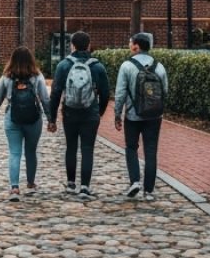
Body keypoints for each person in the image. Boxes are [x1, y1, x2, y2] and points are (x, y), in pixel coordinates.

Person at [48, 30, 110, 199]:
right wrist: (100, 111)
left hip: (70, 112)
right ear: (89, 45)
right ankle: (84, 186)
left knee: (71, 147)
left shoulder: (64, 65)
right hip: (90, 113)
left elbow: (55, 93)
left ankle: (70, 184)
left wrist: (52, 118)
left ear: (72, 45)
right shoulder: (97, 66)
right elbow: (105, 93)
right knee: (88, 149)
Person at [0, 46, 51, 202]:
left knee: (15, 152)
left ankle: (14, 187)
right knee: (31, 151)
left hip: (12, 118)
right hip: (34, 119)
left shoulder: (7, 77)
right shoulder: (37, 76)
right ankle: (30, 182)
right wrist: (51, 118)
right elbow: (45, 99)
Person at [113, 32, 168, 201]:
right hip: (154, 116)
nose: (130, 46)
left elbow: (120, 93)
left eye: (130, 43)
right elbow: (165, 91)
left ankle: (135, 181)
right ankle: (149, 191)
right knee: (151, 151)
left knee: (131, 147)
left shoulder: (127, 66)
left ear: (136, 45)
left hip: (133, 115)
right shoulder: (159, 66)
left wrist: (117, 113)